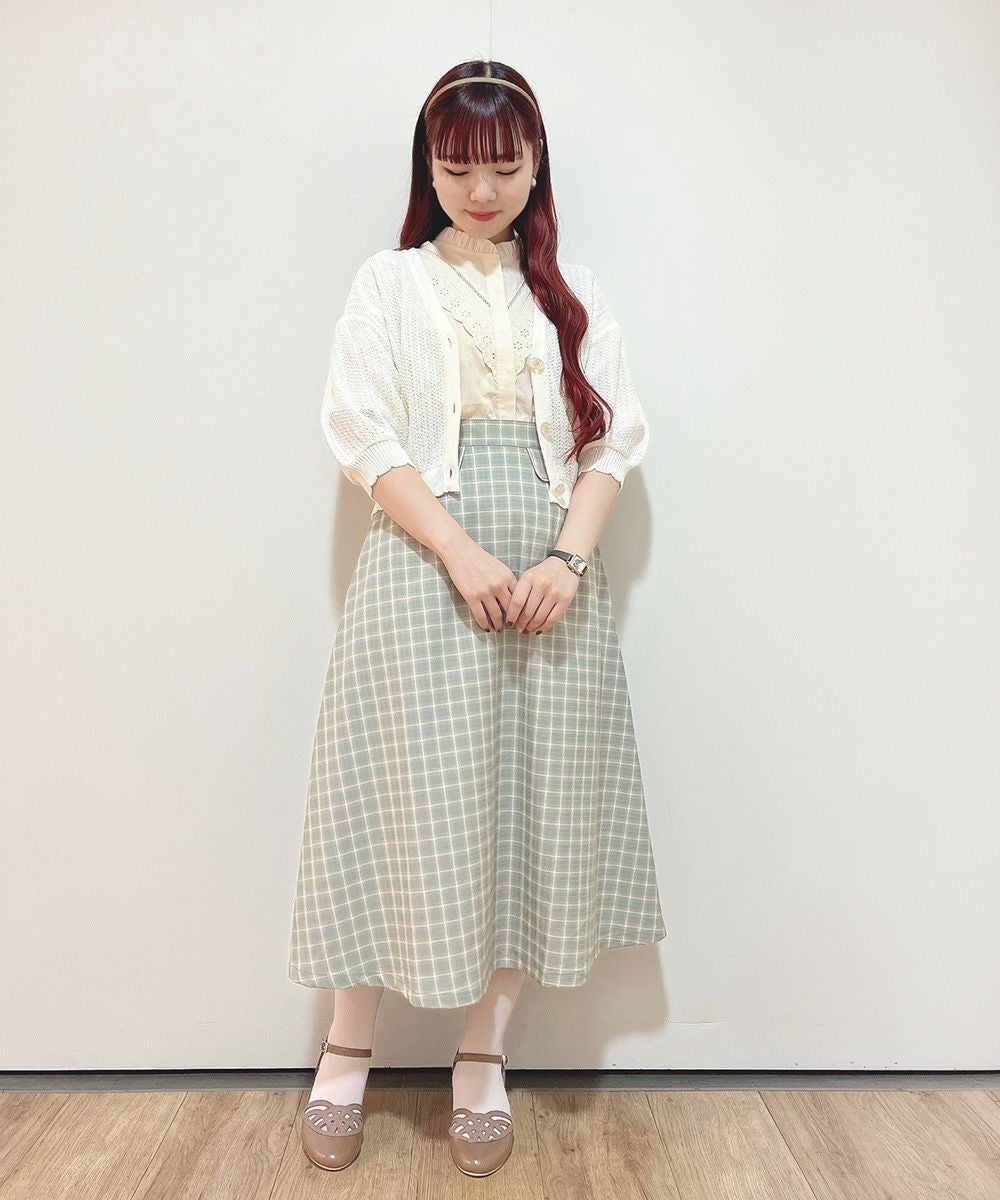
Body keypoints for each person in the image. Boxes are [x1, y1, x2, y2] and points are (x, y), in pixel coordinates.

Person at [288, 59, 667, 1178]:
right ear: (428, 168)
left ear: (536, 163)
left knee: (526, 807)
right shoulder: (388, 284)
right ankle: (345, 1053)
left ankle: (480, 1060)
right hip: (421, 566)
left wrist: (566, 561)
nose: (481, 190)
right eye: (457, 168)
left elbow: (613, 441)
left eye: (503, 165)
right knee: (390, 798)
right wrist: (457, 551)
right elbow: (362, 430)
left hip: (551, 586)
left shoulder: (574, 292)